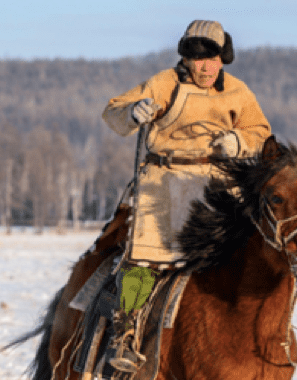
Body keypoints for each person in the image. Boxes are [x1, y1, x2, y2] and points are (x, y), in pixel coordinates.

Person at [102, 19, 272, 270]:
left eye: (214, 60)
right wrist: (133, 113)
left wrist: (239, 141)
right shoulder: (164, 83)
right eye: (200, 60)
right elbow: (112, 111)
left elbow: (261, 134)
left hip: (219, 185)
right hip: (164, 182)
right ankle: (129, 308)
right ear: (186, 59)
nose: (208, 68)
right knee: (144, 265)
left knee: (241, 262)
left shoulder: (238, 91)